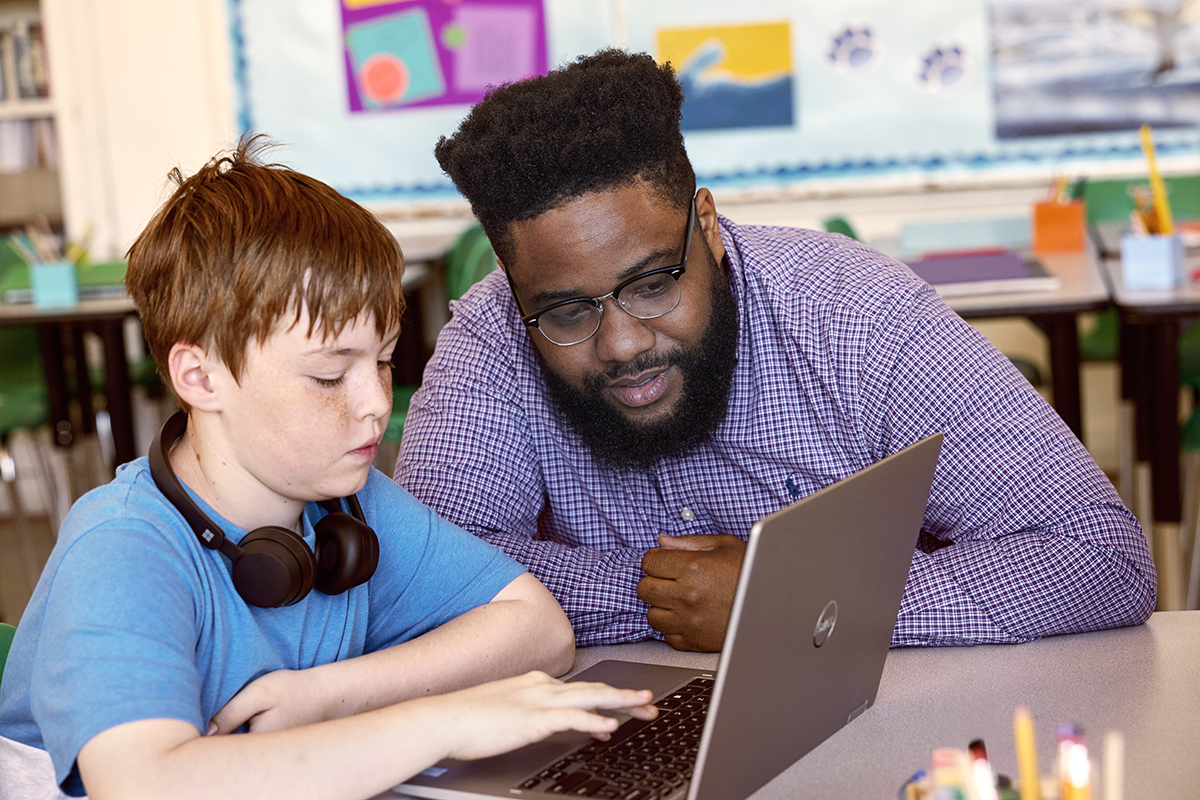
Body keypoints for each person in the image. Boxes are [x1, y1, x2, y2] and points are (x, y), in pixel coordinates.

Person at [394, 49, 1156, 653]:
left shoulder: (855, 311)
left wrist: (791, 603)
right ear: (514, 284)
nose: (623, 344)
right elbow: (418, 585)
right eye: (565, 310)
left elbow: (1099, 559)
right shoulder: (492, 336)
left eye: (654, 283)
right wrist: (676, 597)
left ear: (709, 226)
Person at [0, 136, 656, 800]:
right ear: (200, 376)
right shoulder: (122, 545)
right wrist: (443, 722)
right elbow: (144, 784)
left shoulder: (346, 503)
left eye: (382, 361)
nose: (375, 404)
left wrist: (326, 696)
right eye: (327, 375)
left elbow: (537, 628)